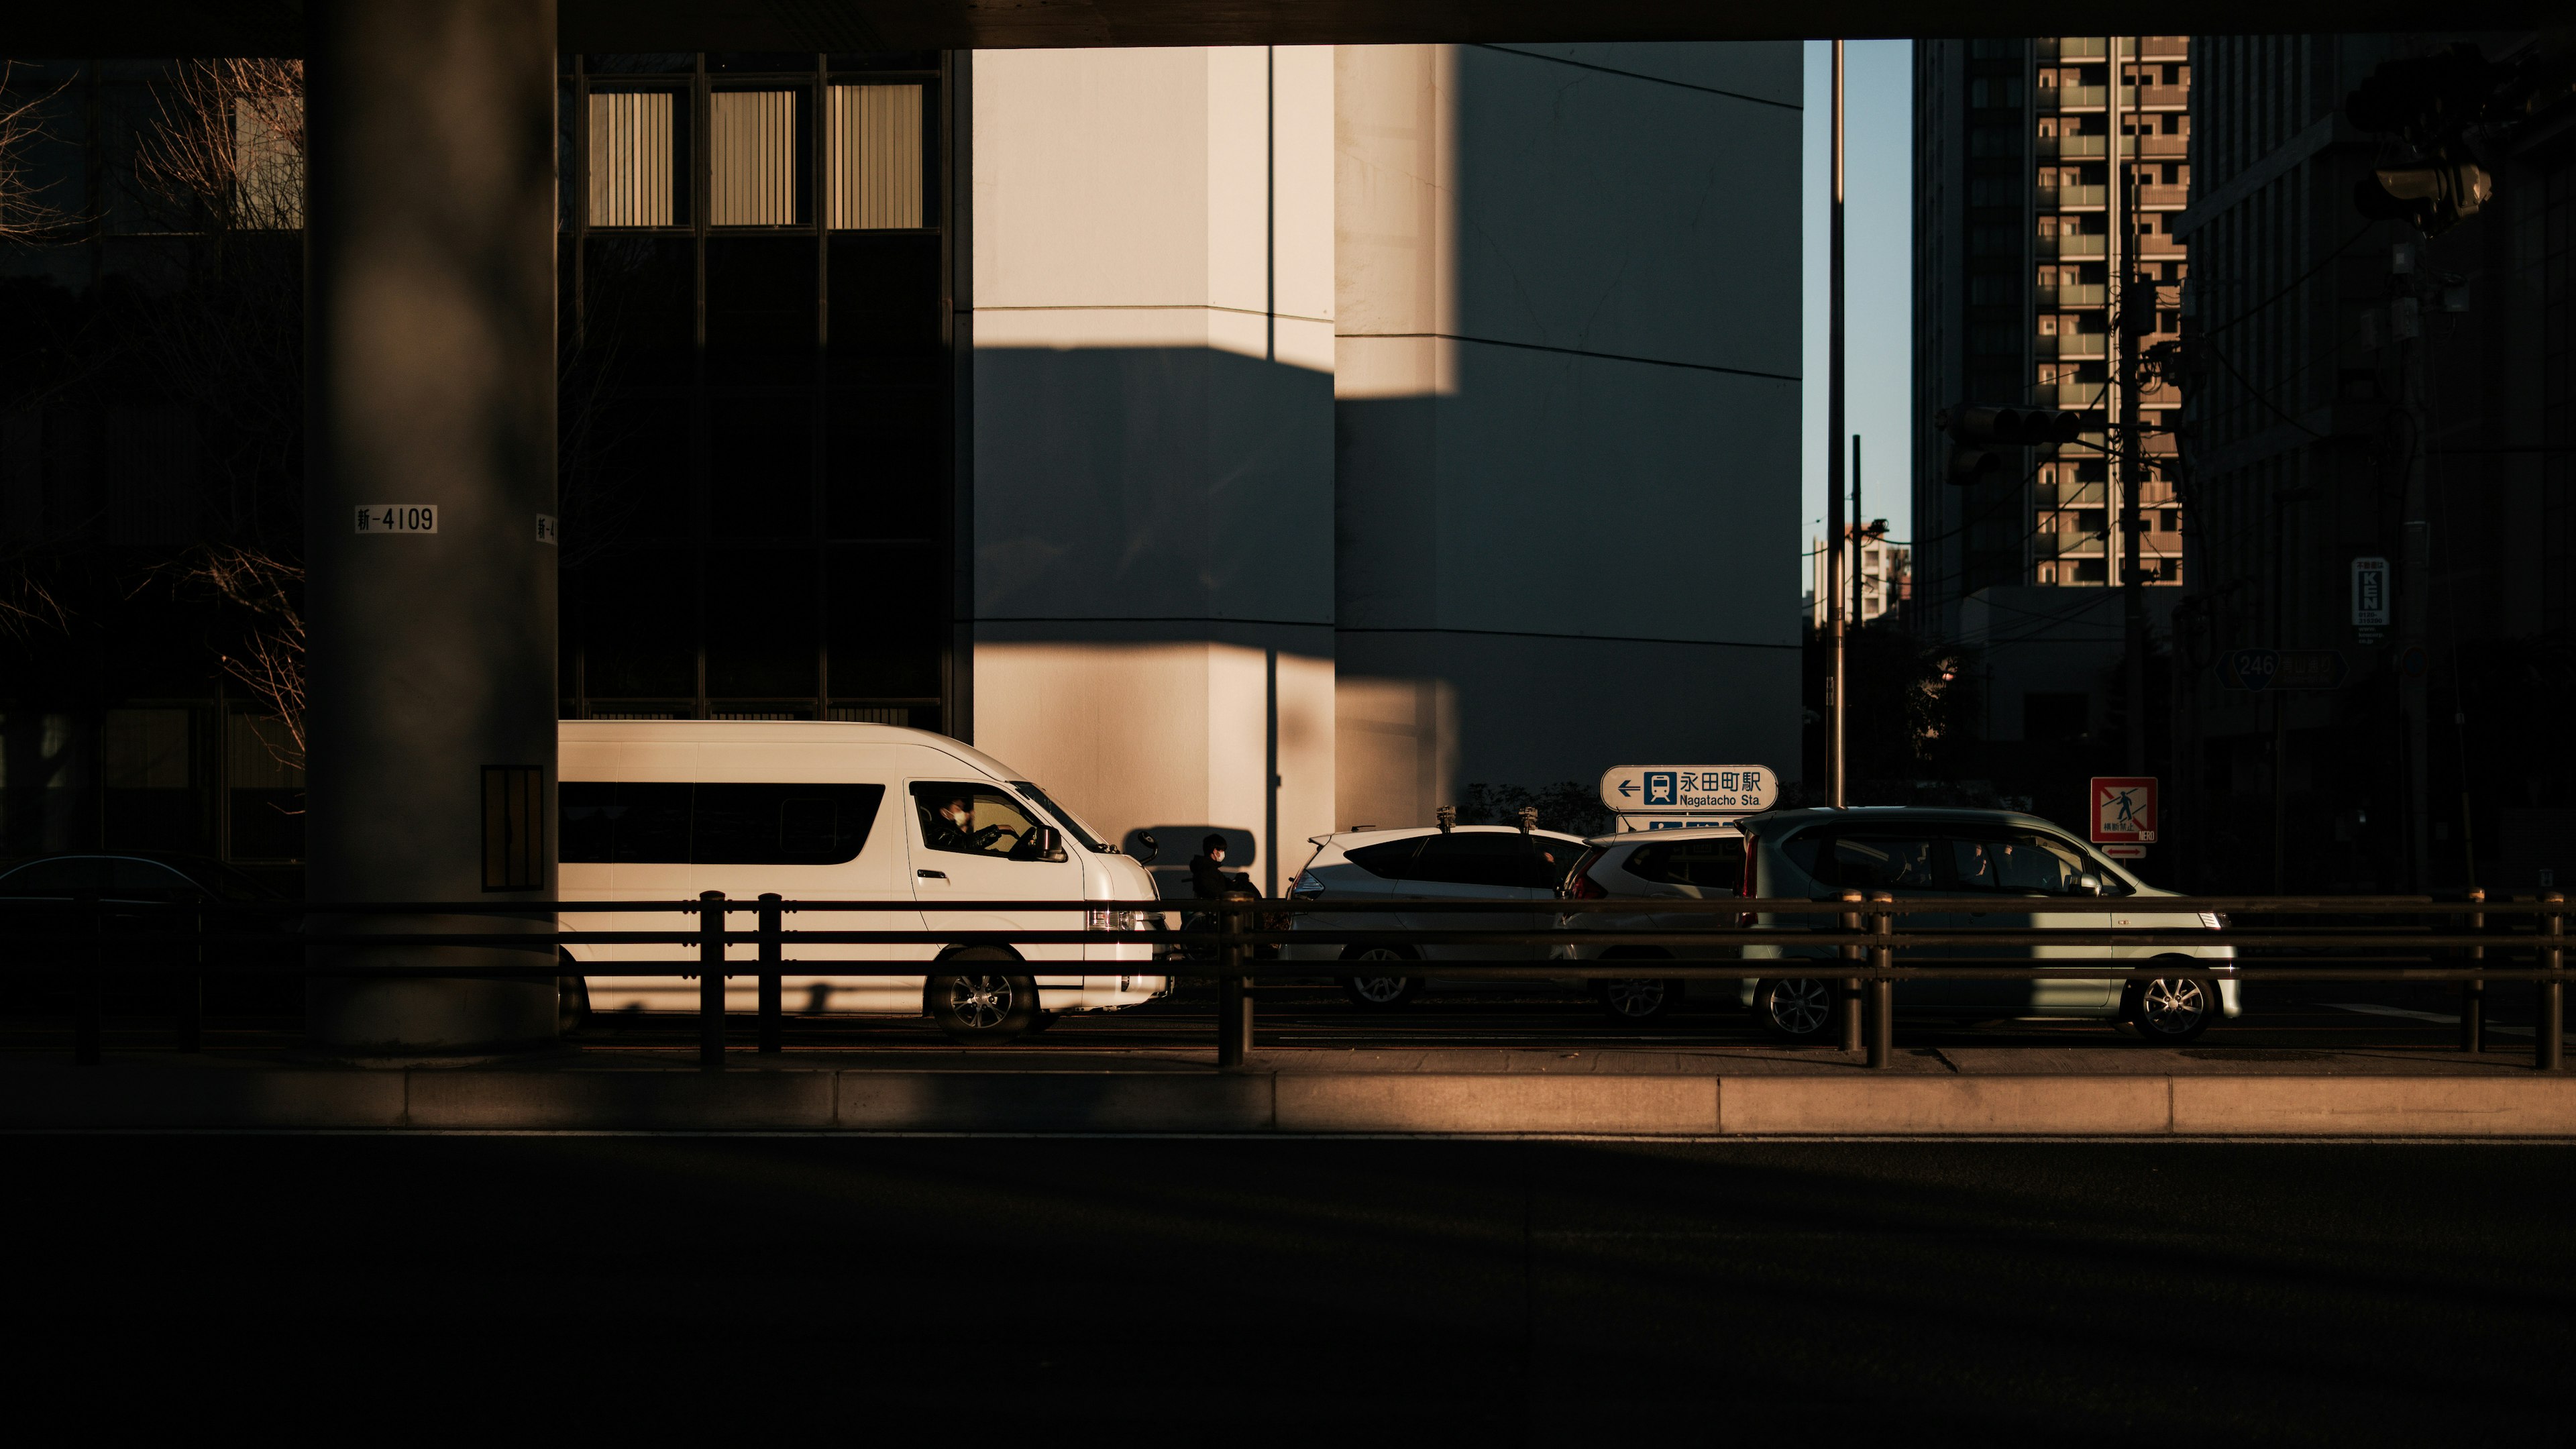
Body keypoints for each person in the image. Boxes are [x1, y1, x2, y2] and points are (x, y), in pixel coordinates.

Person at [1189, 834, 1249, 899]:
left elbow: (1227, 884)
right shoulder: (1207, 871)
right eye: (1222, 850)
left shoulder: (1210, 869)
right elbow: (1216, 893)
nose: (1223, 853)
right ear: (1215, 851)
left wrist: (1239, 881)